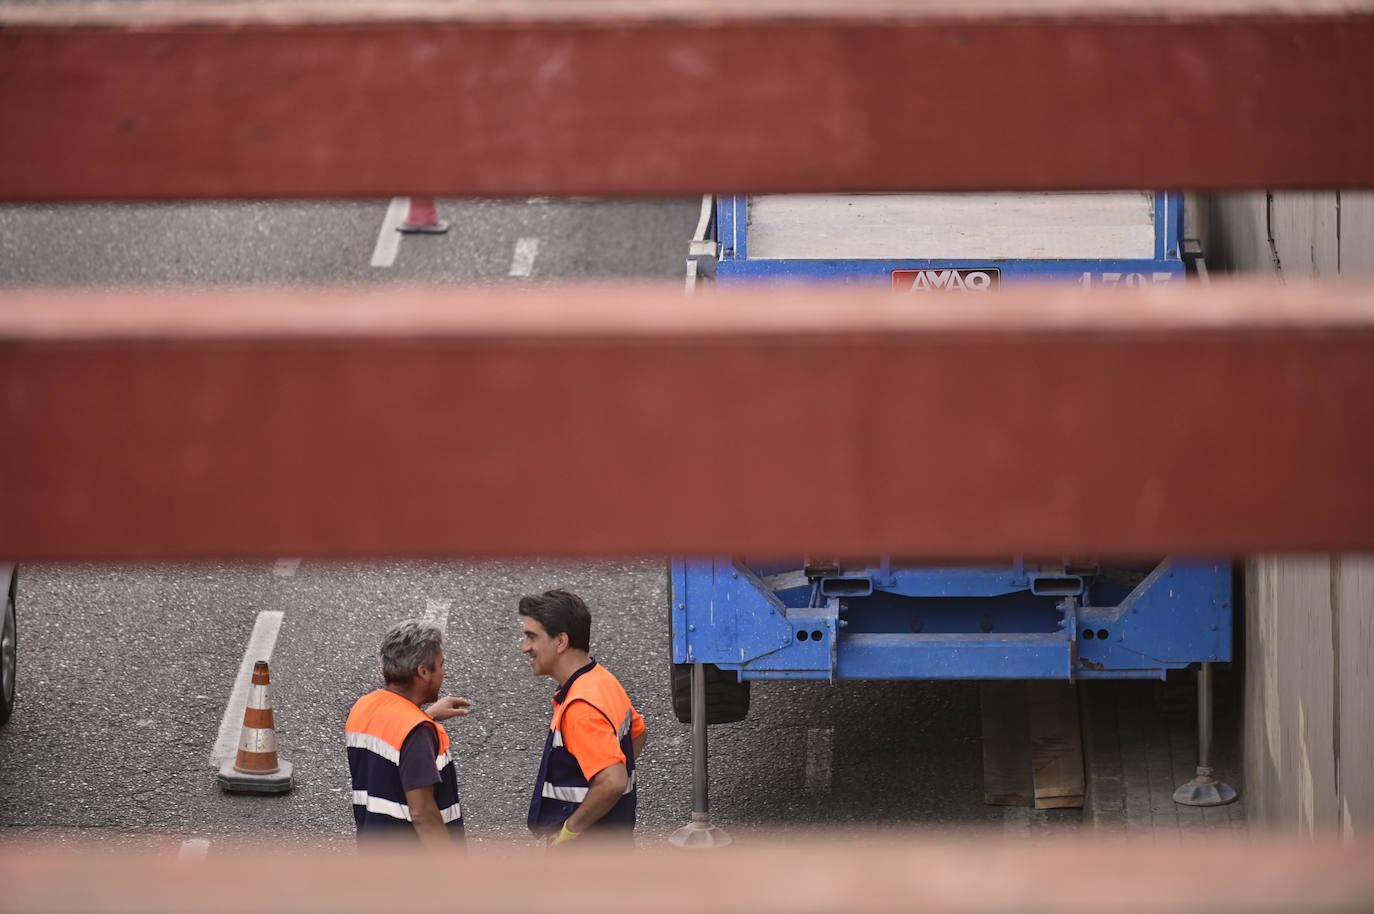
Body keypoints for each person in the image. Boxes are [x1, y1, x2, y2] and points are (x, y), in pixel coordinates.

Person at [521, 589, 646, 847]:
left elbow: (612, 781)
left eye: (532, 637)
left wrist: (570, 831)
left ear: (561, 642)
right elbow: (638, 733)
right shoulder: (602, 680)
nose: (525, 648)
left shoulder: (580, 707)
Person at [345, 619, 471, 847]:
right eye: (441, 665)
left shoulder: (363, 707)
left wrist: (427, 715)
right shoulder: (417, 733)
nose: (444, 672)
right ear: (423, 671)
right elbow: (422, 813)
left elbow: (393, 737)